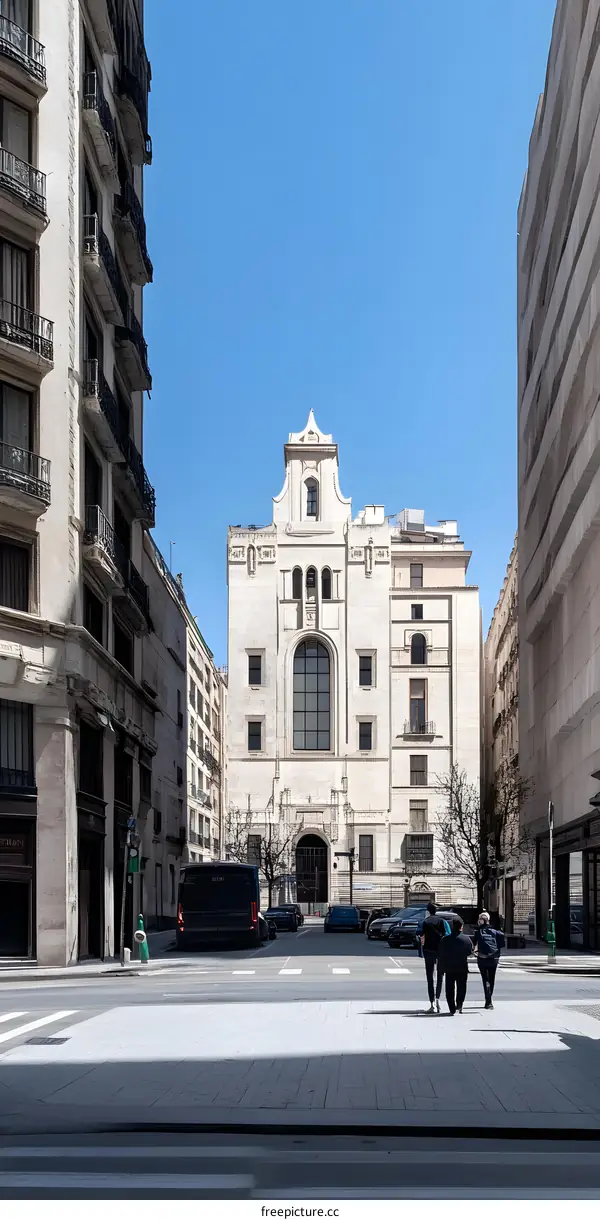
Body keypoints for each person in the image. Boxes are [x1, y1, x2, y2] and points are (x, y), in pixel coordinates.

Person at [437, 917, 473, 1014]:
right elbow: (470, 952)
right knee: (462, 987)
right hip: (462, 967)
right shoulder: (466, 939)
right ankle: (459, 1005)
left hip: (449, 967)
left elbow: (441, 953)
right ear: (461, 927)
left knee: (449, 988)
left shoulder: (445, 940)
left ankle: (451, 1007)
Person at [472, 910, 505, 1009]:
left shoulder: (478, 932)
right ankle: (489, 1000)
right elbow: (500, 946)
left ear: (481, 921)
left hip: (482, 958)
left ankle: (488, 1000)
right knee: (492, 979)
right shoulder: (496, 932)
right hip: (493, 958)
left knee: (485, 979)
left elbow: (474, 945)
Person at [420, 901, 447, 1013]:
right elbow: (445, 936)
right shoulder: (441, 921)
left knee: (430, 977)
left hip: (428, 951)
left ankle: (432, 1003)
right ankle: (438, 1000)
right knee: (440, 976)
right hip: (439, 951)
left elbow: (422, 936)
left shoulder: (425, 922)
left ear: (428, 911)